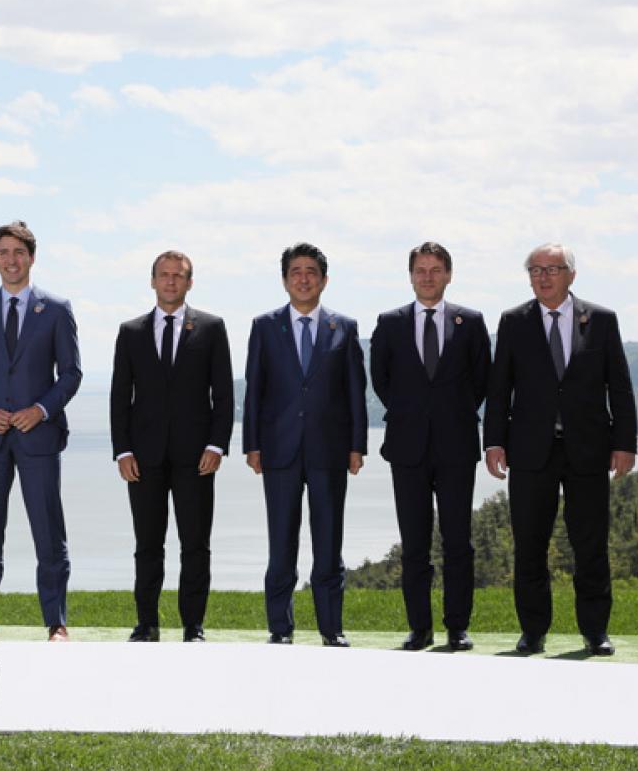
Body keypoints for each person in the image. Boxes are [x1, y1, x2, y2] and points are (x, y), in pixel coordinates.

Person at [484, 243, 636, 656]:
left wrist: (625, 443)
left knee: (590, 544)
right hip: (530, 451)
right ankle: (533, 630)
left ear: (571, 274)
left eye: (552, 269)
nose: (543, 276)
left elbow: (619, 386)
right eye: (535, 269)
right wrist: (494, 441)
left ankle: (595, 631)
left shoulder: (600, 320)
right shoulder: (514, 322)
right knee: (530, 544)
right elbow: (499, 389)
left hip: (588, 448)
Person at [0, 220, 82, 641]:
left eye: (18, 253)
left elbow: (71, 373)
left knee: (49, 534)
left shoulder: (58, 309)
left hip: (38, 438)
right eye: (3, 253)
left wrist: (42, 410)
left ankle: (56, 622)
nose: (11, 260)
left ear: (31, 257)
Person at [242, 242, 367, 646]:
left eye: (311, 271)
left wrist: (356, 446)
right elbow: (254, 390)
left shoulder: (344, 328)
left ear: (324, 280)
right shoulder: (264, 326)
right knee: (281, 546)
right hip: (278, 451)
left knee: (329, 545)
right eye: (295, 271)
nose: (303, 278)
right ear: (284, 280)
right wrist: (252, 445)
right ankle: (280, 629)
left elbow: (355, 392)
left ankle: (332, 629)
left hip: (330, 452)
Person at [370, 242, 491, 652]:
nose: (428, 276)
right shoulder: (389, 323)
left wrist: (449, 414)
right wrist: (413, 414)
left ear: (448, 275)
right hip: (407, 448)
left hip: (457, 446)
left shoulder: (471, 322)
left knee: (459, 541)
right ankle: (419, 628)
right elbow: (382, 381)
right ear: (410, 275)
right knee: (415, 543)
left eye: (436, 269)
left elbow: (481, 381)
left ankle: (458, 627)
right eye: (420, 270)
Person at [110, 250, 234, 643]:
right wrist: (122, 450)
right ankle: (147, 623)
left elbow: (225, 395)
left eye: (178, 276)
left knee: (195, 544)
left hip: (196, 457)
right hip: (142, 459)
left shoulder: (212, 328)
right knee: (147, 544)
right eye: (163, 275)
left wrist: (217, 444)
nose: (170, 282)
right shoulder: (130, 332)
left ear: (189, 283)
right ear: (152, 281)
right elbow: (119, 397)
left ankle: (193, 625)